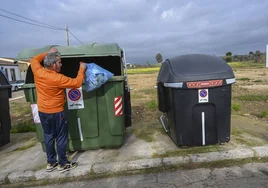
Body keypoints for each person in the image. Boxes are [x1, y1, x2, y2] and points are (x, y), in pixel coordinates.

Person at [30, 47, 86, 173]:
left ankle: (51, 163)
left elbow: (34, 59)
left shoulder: (38, 71)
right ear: (53, 65)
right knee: (61, 137)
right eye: (59, 62)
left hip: (43, 112)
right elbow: (76, 83)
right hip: (56, 113)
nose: (61, 64)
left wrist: (49, 53)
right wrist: (82, 69)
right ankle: (63, 163)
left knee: (48, 136)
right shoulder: (58, 79)